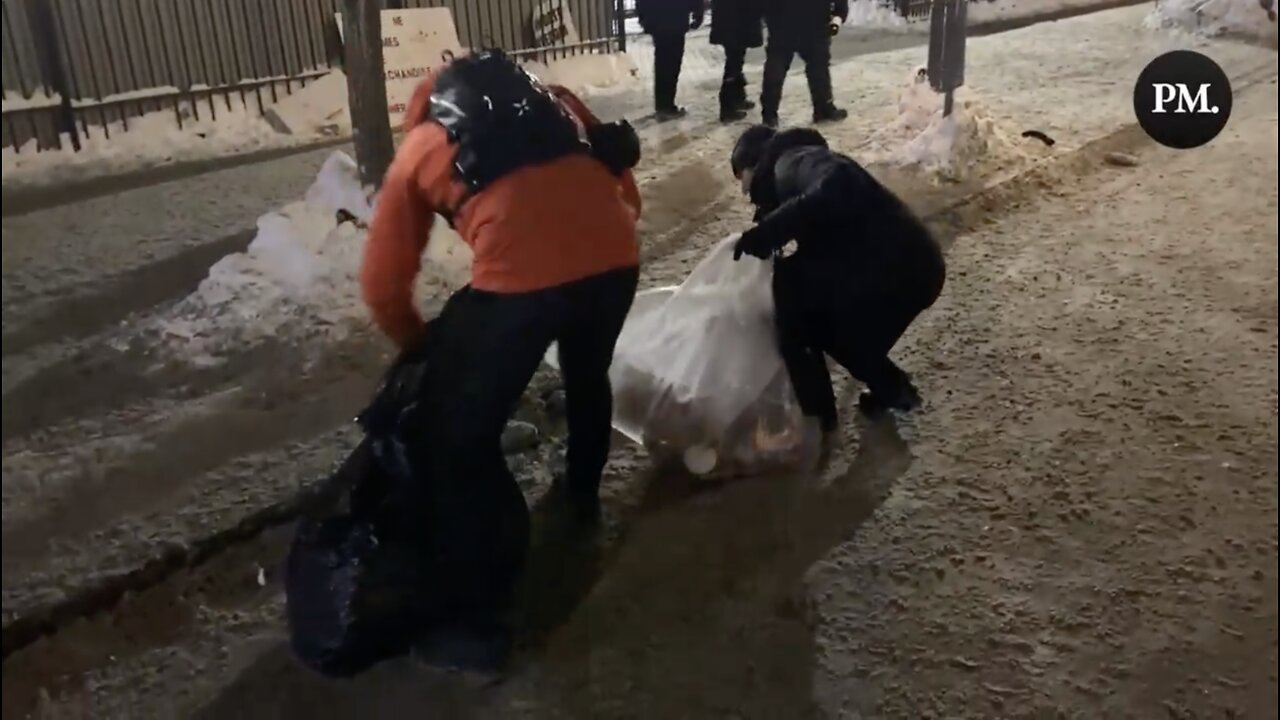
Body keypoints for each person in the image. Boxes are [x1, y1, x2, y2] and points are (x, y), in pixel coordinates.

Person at [360, 49, 643, 671]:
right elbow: (624, 186)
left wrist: (422, 347)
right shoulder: (559, 102)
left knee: (459, 441)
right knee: (586, 372)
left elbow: (383, 286)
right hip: (617, 261)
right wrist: (596, 241)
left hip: (522, 283)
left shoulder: (421, 147)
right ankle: (581, 494)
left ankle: (478, 623)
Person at [729, 125, 945, 434]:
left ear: (756, 165)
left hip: (896, 268)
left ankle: (816, 423)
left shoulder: (792, 160)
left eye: (745, 181)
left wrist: (771, 230)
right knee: (821, 317)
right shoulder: (797, 164)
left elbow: (838, 183)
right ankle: (892, 390)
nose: (746, 195)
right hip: (916, 266)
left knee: (790, 298)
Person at [760, 0, 849, 127]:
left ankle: (769, 115)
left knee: (778, 66)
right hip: (810, 20)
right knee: (817, 66)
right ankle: (823, 108)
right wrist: (839, 14)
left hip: (786, 21)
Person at [636, 0, 707, 121]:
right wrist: (698, 13)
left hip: (657, 19)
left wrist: (642, 15)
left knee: (662, 60)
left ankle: (662, 104)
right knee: (672, 61)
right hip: (676, 18)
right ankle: (667, 104)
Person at [710, 0, 764, 122]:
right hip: (738, 19)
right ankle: (727, 107)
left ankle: (738, 97)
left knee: (736, 59)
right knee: (734, 61)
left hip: (731, 18)